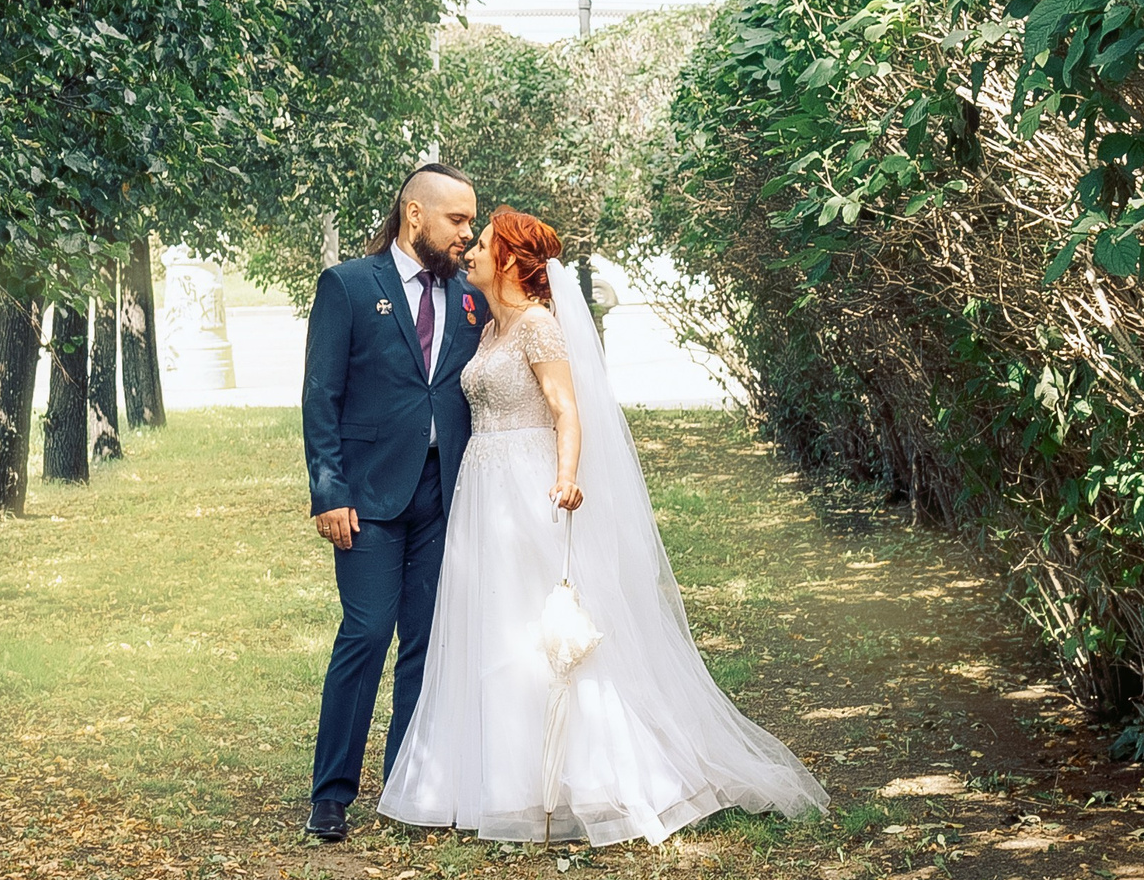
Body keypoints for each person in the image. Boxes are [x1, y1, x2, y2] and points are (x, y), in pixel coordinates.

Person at [378, 207, 828, 845]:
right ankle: (499, 782)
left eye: (483, 243)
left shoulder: (538, 326)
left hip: (528, 482)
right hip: (482, 486)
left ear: (508, 260)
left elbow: (567, 411)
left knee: (542, 626)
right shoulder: (491, 329)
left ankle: (588, 778)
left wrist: (564, 477)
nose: (470, 250)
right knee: (491, 622)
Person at [300, 163, 484, 843]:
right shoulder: (348, 286)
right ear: (415, 215)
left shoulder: (471, 297)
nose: (468, 233)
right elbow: (321, 395)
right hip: (368, 497)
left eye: (471, 221)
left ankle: (408, 786)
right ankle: (331, 793)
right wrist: (329, 490)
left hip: (445, 493)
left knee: (427, 642)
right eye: (457, 219)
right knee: (368, 631)